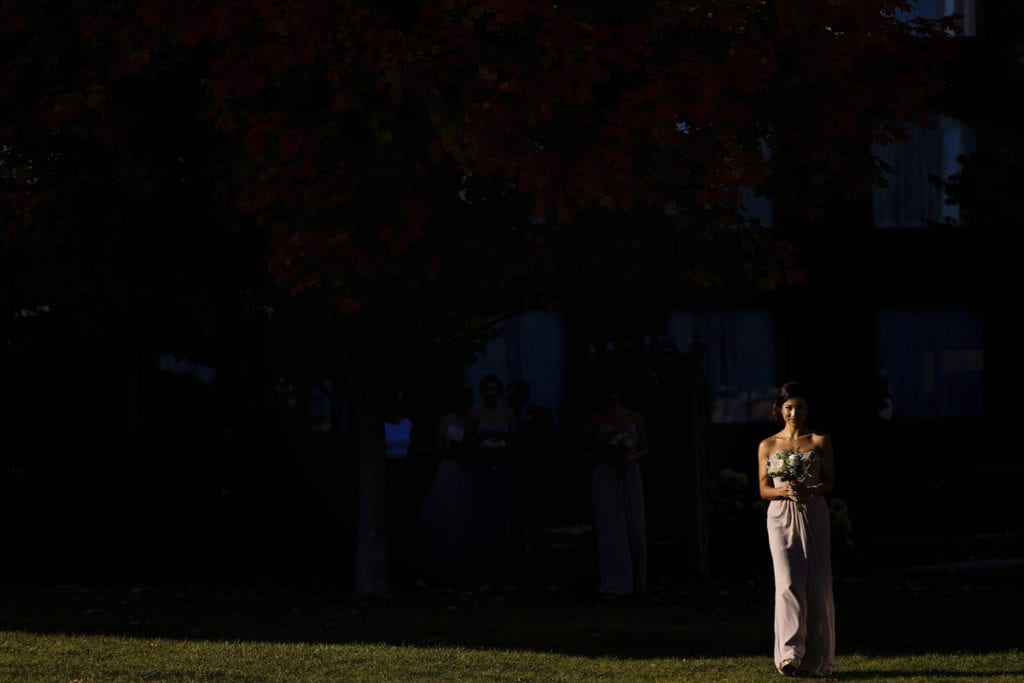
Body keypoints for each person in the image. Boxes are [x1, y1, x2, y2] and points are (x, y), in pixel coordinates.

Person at [757, 381, 836, 679]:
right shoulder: (768, 445)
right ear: (780, 409)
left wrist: (811, 489)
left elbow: (829, 481)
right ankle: (790, 654)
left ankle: (816, 659)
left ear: (807, 410)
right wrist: (784, 491)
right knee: (788, 582)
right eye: (789, 407)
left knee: (816, 585)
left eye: (800, 407)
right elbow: (764, 489)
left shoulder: (819, 440)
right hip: (779, 515)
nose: (795, 413)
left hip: (813, 512)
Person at [581, 373, 648, 598]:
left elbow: (644, 446)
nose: (611, 392)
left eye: (614, 388)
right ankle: (616, 578)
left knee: (634, 522)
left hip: (629, 472)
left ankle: (637, 577)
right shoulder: (594, 419)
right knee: (611, 523)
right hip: (605, 473)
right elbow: (586, 448)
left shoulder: (634, 416)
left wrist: (630, 457)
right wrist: (607, 458)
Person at [464, 373, 522, 584]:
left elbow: (515, 439)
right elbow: (467, 440)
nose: (490, 393)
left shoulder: (507, 414)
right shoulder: (475, 413)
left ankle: (505, 557)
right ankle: (481, 558)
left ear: (499, 392)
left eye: (494, 389)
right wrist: (481, 450)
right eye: (487, 389)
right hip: (481, 466)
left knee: (503, 508)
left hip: (503, 465)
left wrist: (503, 450)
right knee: (482, 508)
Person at [419, 384, 474, 583]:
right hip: (449, 467)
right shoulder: (446, 419)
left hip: (466, 466)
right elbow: (439, 443)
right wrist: (450, 451)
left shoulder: (472, 419)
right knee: (447, 508)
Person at [505, 379, 556, 562]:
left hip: (535, 474)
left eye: (514, 396)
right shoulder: (506, 414)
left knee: (536, 518)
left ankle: (538, 557)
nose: (510, 400)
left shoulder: (541, 414)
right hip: (512, 472)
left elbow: (547, 444)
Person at [384, 386, 419, 587]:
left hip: (404, 472)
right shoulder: (381, 425)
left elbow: (412, 449)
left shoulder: (408, 424)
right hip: (389, 471)